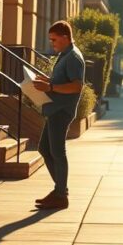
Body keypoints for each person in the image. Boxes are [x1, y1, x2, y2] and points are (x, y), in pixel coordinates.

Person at [31, 20, 85, 210]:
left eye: (54, 39)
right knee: (45, 149)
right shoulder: (65, 54)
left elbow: (77, 86)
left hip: (62, 110)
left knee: (57, 151)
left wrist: (51, 87)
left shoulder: (73, 57)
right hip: (56, 109)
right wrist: (48, 81)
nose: (52, 43)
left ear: (65, 37)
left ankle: (61, 194)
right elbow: (64, 80)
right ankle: (60, 191)